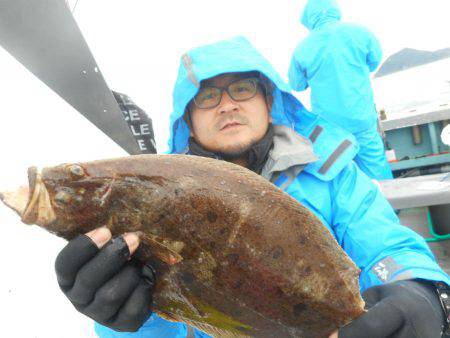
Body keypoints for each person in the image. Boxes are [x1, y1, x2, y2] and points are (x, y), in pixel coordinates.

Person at [55, 36, 450, 338]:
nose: (227, 104)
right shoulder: (150, 201)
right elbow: (177, 316)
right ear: (187, 121)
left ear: (269, 100)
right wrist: (126, 320)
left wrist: (420, 290)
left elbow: (384, 245)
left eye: (241, 89)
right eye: (207, 96)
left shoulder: (332, 174)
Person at [288, 0, 393, 181]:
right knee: (376, 170)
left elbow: (296, 84)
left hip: (330, 128)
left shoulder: (302, 48)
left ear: (308, 18)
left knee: (340, 176)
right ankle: (390, 206)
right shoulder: (360, 32)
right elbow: (374, 61)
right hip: (362, 118)